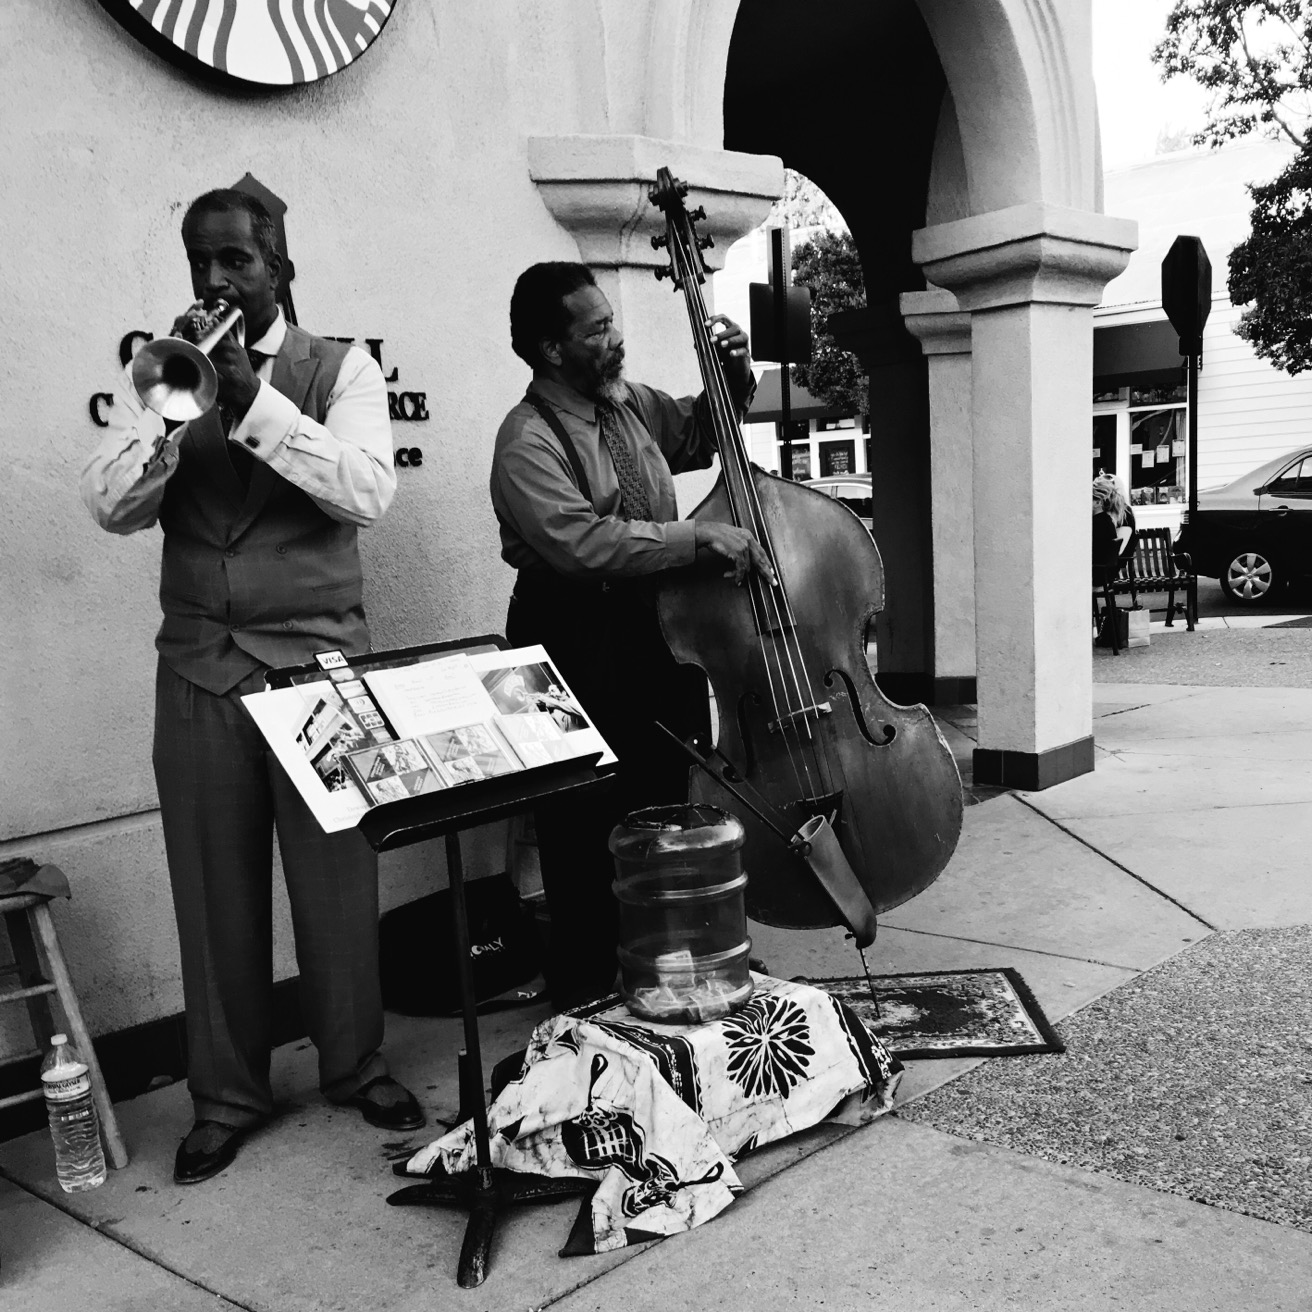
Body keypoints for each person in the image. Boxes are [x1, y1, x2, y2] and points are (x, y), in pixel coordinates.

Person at [80, 189, 423, 1185]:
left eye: (235, 260)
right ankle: (226, 1096)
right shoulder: (165, 374)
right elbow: (107, 505)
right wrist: (171, 411)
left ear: (278, 263)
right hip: (195, 669)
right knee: (209, 888)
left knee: (337, 884)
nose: (216, 282)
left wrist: (257, 402)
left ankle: (354, 1064)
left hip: (318, 667)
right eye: (201, 263)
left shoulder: (341, 367)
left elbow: (367, 489)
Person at [490, 261, 773, 1009]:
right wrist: (696, 539)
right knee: (584, 822)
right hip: (571, 636)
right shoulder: (525, 438)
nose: (616, 339)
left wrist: (732, 378)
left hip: (654, 629)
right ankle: (586, 991)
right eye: (598, 329)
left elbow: (703, 431)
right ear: (552, 350)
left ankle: (674, 962)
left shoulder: (629, 405)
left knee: (669, 796)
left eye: (611, 321)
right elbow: (581, 546)